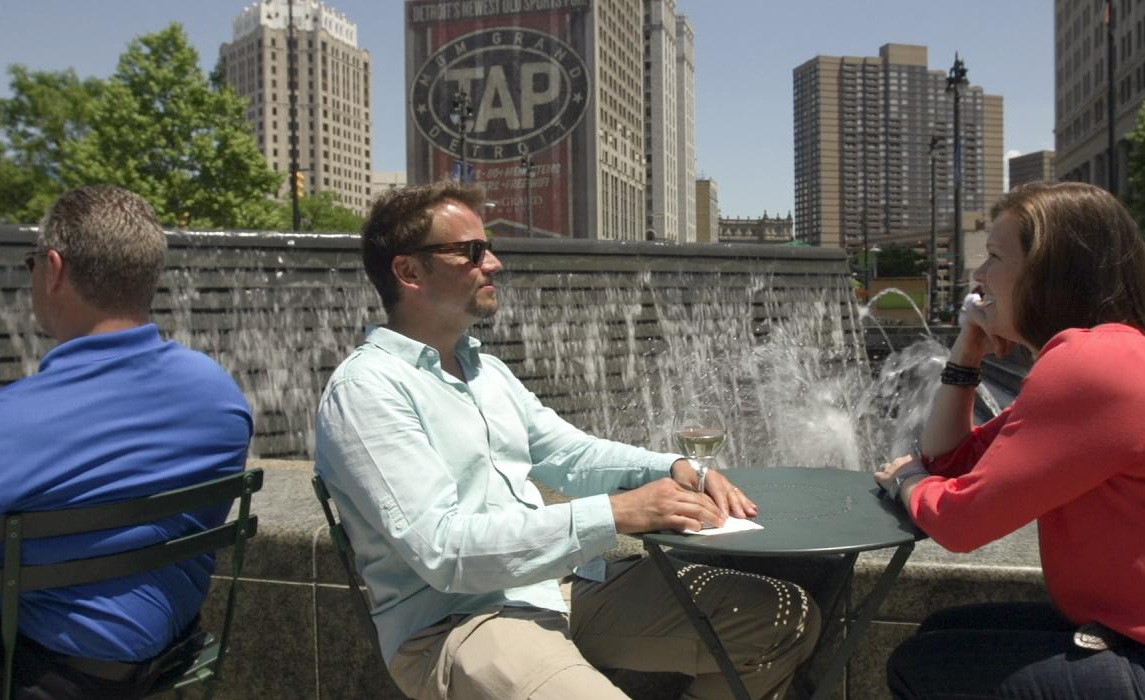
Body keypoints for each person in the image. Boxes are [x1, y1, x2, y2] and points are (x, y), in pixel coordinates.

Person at [314, 181, 820, 700]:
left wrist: (670, 468)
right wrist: (618, 513)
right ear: (409, 271)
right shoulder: (368, 391)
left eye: (488, 248)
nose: (494, 263)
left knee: (782, 617)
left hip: (554, 587)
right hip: (455, 623)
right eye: (472, 251)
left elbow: (569, 454)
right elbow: (445, 551)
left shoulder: (484, 370)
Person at [873, 182, 1145, 699]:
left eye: (994, 257)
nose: (978, 276)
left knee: (924, 665)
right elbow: (950, 461)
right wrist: (966, 354)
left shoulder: (1098, 366)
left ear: (1050, 273)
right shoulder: (1104, 357)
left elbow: (960, 520)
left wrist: (907, 480)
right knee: (940, 634)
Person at [0, 185, 253, 698]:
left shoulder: (11, 422)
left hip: (40, 674)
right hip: (171, 656)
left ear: (54, 269)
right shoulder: (220, 396)